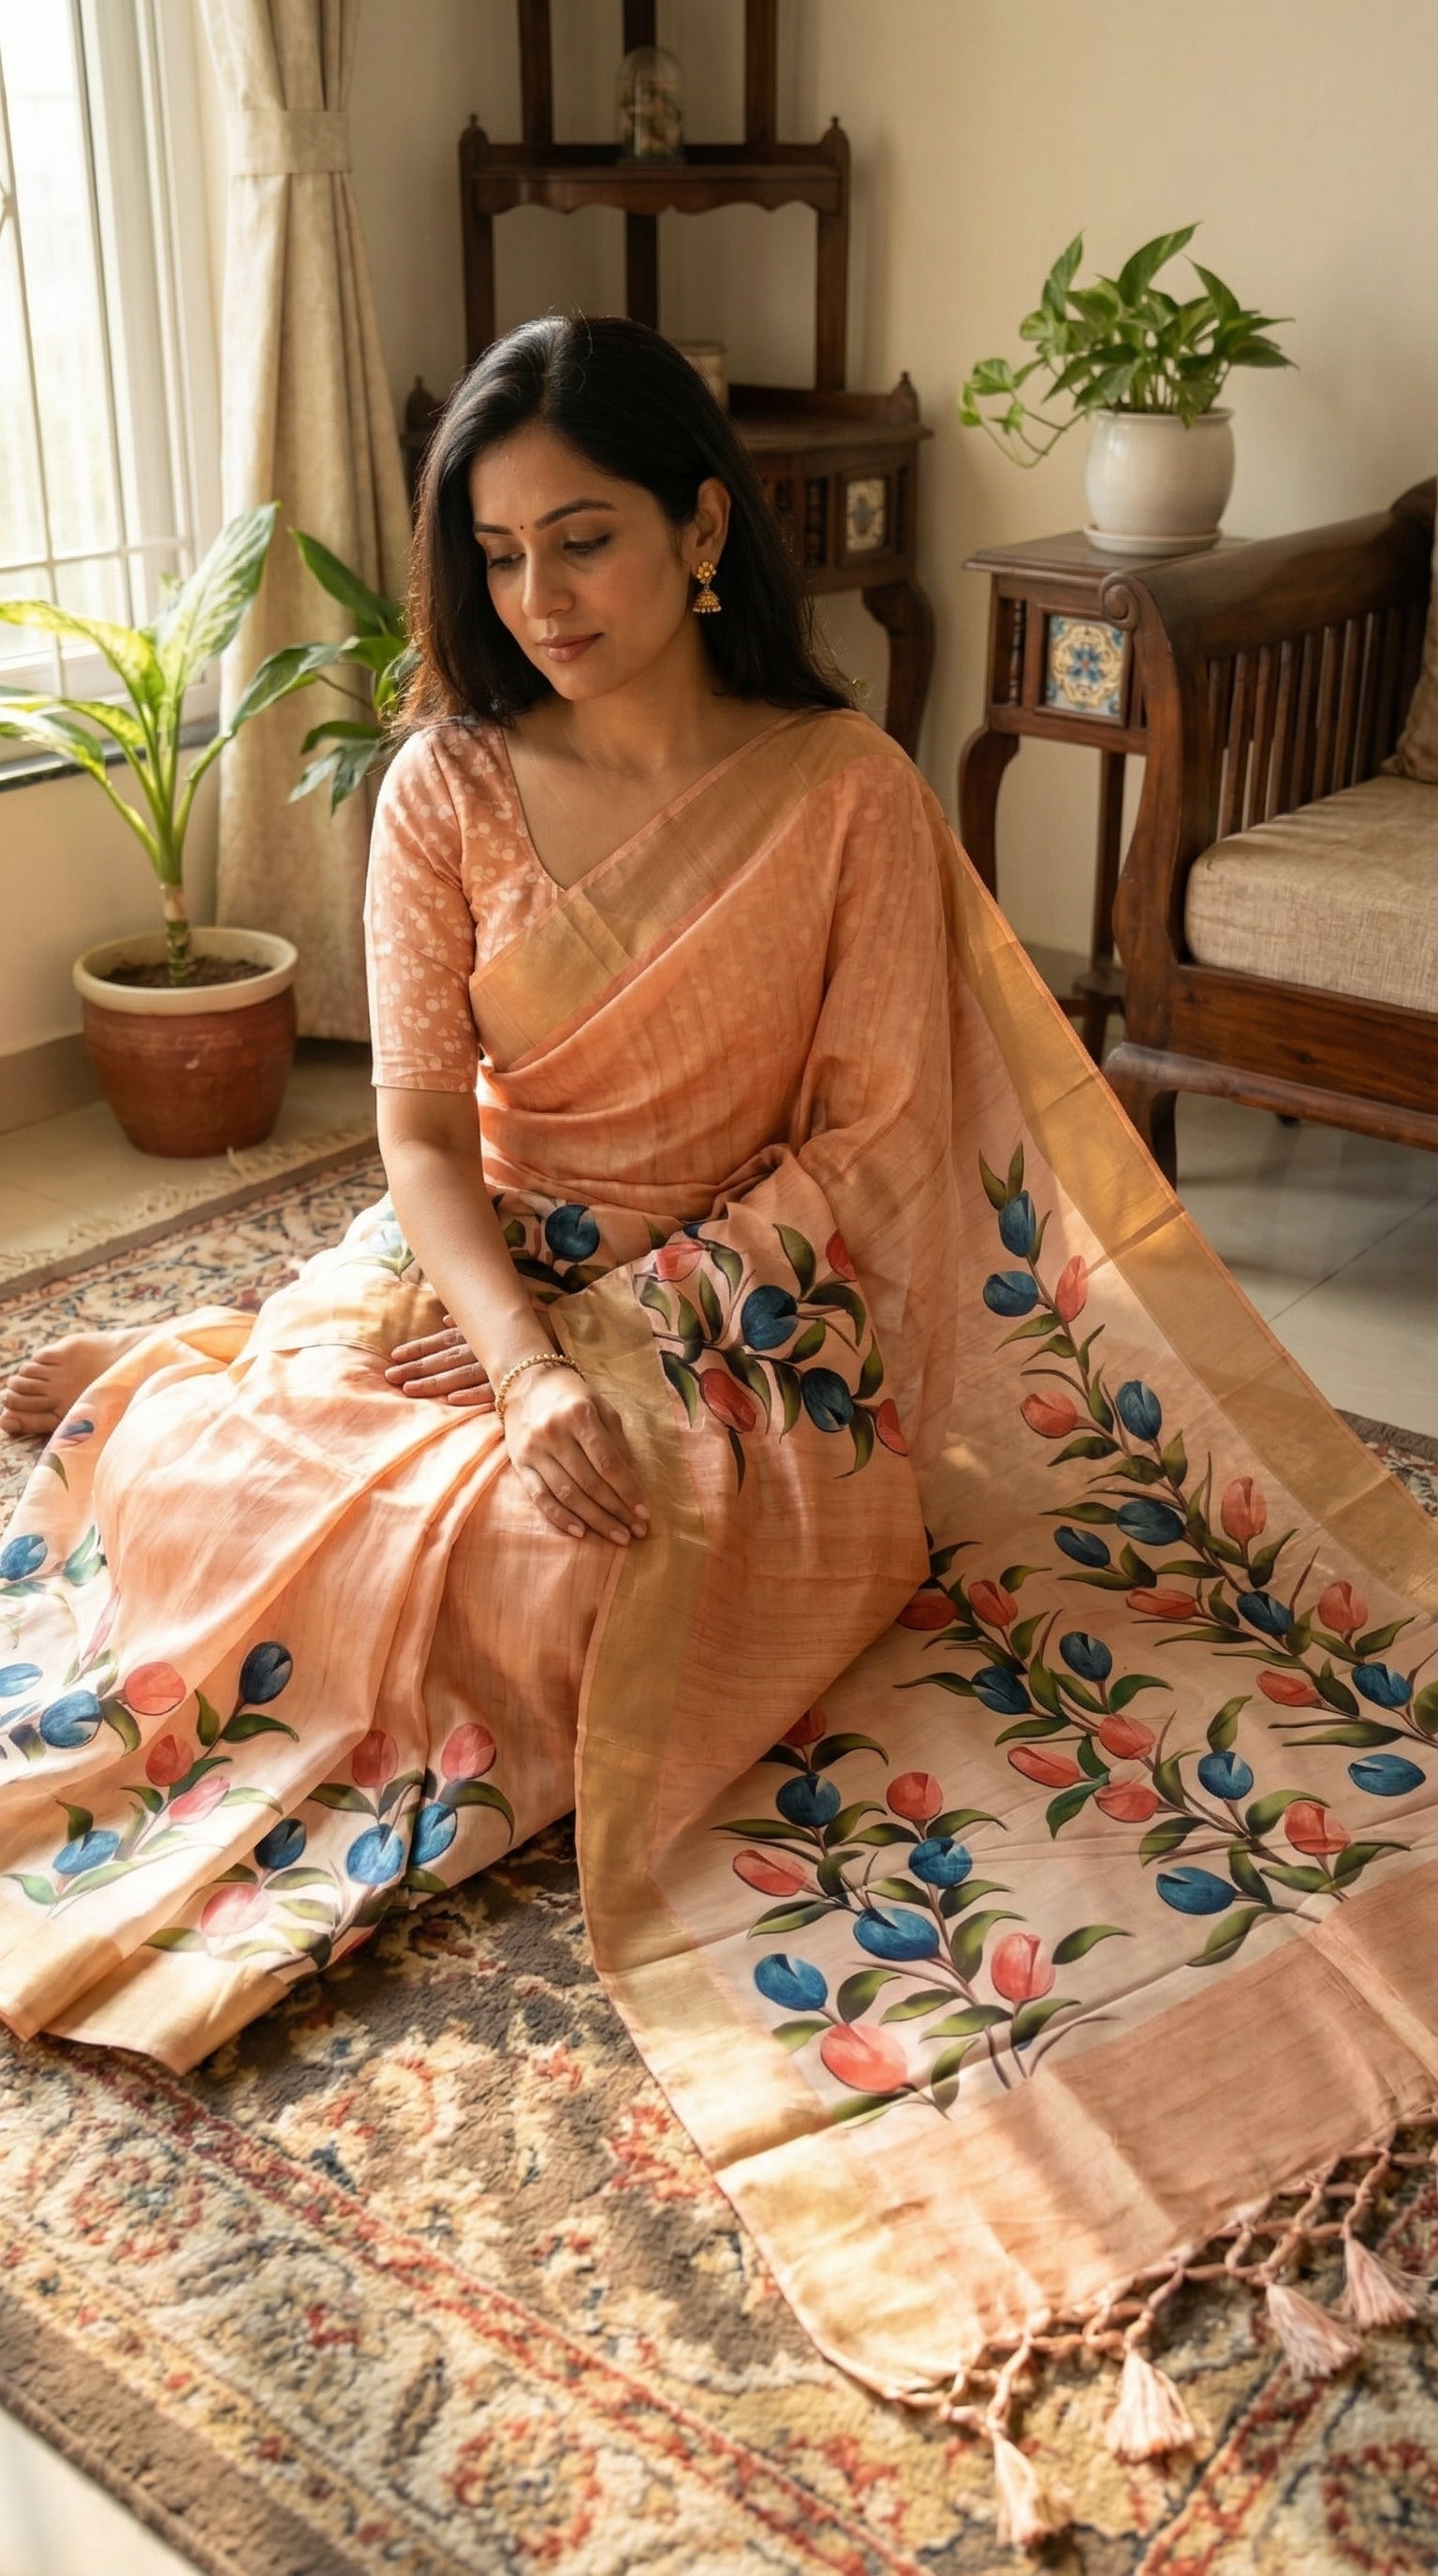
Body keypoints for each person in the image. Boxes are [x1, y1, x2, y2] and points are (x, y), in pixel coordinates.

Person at [1, 322, 1431, 2498]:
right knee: (240, 1479)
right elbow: (412, 1140)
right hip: (482, 1268)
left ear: (696, 526)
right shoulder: (448, 787)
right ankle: (183, 1373)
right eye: (494, 555)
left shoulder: (843, 791)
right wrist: (503, 1343)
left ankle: (259, 1405)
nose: (540, 596)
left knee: (530, 1571)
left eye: (584, 535)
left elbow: (868, 1153)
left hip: (757, 1325)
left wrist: (619, 1346)